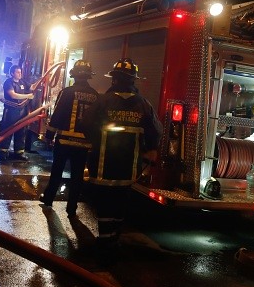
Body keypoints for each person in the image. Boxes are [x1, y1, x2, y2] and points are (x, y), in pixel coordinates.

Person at [82, 58, 163, 262]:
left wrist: (96, 141)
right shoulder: (144, 105)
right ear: (134, 81)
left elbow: (85, 125)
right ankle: (115, 238)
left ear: (114, 79)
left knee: (105, 204)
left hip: (103, 167)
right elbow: (156, 131)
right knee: (120, 203)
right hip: (128, 169)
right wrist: (151, 149)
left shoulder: (102, 101)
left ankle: (105, 239)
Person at [39, 60, 99, 217]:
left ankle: (49, 198)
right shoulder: (95, 95)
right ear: (88, 76)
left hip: (64, 140)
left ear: (73, 75)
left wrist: (49, 135)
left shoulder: (66, 92)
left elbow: (58, 115)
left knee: (57, 171)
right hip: (83, 144)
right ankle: (72, 207)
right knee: (77, 176)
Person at [0, 64, 34, 161]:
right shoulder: (8, 83)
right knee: (7, 131)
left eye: (20, 72)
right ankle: (3, 151)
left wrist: (43, 79)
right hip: (10, 111)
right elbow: (12, 95)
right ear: (12, 73)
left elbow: (32, 87)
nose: (20, 74)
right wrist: (27, 96)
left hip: (22, 111)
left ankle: (19, 152)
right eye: (18, 72)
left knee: (21, 131)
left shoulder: (23, 82)